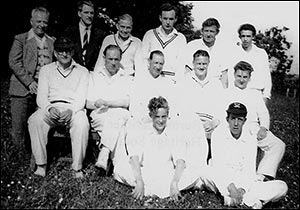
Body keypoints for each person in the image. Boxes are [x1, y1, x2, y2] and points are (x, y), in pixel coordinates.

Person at [113, 96, 207, 200]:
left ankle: (152, 190)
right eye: (157, 117)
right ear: (151, 116)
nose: (161, 121)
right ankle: (155, 189)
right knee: (119, 168)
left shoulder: (173, 133)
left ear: (168, 116)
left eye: (164, 116)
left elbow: (180, 161)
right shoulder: (143, 131)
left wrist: (175, 182)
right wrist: (139, 181)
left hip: (167, 174)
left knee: (194, 173)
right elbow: (134, 158)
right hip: (145, 173)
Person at [28, 36, 90, 178]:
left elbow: (81, 98)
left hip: (73, 108)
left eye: (67, 50)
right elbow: (41, 97)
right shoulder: (46, 70)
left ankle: (77, 168)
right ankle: (41, 165)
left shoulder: (82, 71)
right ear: (55, 53)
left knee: (82, 123)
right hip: (51, 107)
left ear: (73, 52)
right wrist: (49, 108)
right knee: (35, 120)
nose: (64, 54)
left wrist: (71, 110)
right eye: (61, 51)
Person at [210, 102, 288, 208]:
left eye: (240, 119)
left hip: (242, 180)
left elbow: (249, 169)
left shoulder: (250, 138)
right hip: (222, 179)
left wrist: (242, 189)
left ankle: (239, 200)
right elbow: (218, 166)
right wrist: (231, 187)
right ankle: (250, 201)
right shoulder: (218, 134)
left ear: (245, 121)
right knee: (208, 171)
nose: (236, 123)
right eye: (233, 118)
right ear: (227, 119)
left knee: (282, 187)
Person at [221, 61, 286, 182]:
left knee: (278, 145)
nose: (241, 80)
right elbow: (222, 114)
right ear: (234, 75)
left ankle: (262, 175)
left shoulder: (255, 94)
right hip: (235, 128)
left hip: (253, 128)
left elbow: (264, 114)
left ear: (249, 78)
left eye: (245, 77)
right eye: (239, 76)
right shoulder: (227, 93)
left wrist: (264, 128)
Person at [8, 6, 55, 152]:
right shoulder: (21, 39)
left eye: (45, 22)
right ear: (31, 21)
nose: (42, 25)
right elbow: (14, 62)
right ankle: (17, 159)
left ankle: (37, 155)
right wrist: (29, 82)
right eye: (38, 21)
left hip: (43, 89)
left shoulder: (51, 41)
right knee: (19, 126)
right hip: (22, 88)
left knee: (40, 123)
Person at [86, 44, 132, 174]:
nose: (113, 63)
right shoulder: (94, 76)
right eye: (110, 59)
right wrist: (98, 103)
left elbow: (127, 101)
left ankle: (105, 152)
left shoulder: (126, 76)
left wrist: (108, 103)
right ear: (104, 58)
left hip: (120, 114)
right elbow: (88, 102)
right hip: (100, 115)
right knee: (120, 129)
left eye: (116, 59)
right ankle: (120, 168)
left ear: (120, 59)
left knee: (117, 116)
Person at [176, 49, 225, 163]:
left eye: (204, 64)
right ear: (193, 64)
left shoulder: (216, 83)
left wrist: (213, 123)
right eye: (199, 63)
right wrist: (196, 124)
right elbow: (180, 107)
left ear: (208, 64)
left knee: (221, 135)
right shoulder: (184, 81)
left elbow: (221, 108)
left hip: (210, 124)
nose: (201, 67)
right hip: (190, 123)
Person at [137, 3, 187, 82]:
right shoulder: (150, 34)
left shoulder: (180, 38)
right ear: (160, 18)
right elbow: (143, 59)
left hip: (171, 80)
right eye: (165, 18)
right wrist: (146, 78)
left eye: (171, 19)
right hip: (151, 78)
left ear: (175, 19)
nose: (167, 22)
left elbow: (181, 63)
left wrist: (177, 81)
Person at [227, 23, 272, 105]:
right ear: (239, 37)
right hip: (236, 93)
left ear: (253, 37)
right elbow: (229, 75)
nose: (245, 39)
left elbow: (267, 77)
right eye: (243, 36)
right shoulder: (233, 52)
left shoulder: (261, 54)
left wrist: (266, 96)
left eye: (248, 36)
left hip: (255, 93)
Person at [129, 50, 178, 124]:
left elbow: (172, 107)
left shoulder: (168, 83)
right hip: (142, 122)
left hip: (162, 123)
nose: (158, 67)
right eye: (156, 63)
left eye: (161, 64)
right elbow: (134, 107)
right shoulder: (139, 81)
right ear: (149, 62)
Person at [185, 18, 228, 87]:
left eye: (211, 31)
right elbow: (187, 70)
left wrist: (224, 92)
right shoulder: (192, 46)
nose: (208, 34)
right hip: (195, 84)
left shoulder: (222, 48)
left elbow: (224, 74)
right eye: (206, 31)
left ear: (217, 32)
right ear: (202, 31)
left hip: (215, 86)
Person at [64, 0, 106, 71]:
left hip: (92, 74)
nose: (89, 16)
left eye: (91, 13)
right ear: (79, 13)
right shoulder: (69, 32)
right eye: (86, 12)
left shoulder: (100, 35)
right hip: (73, 73)